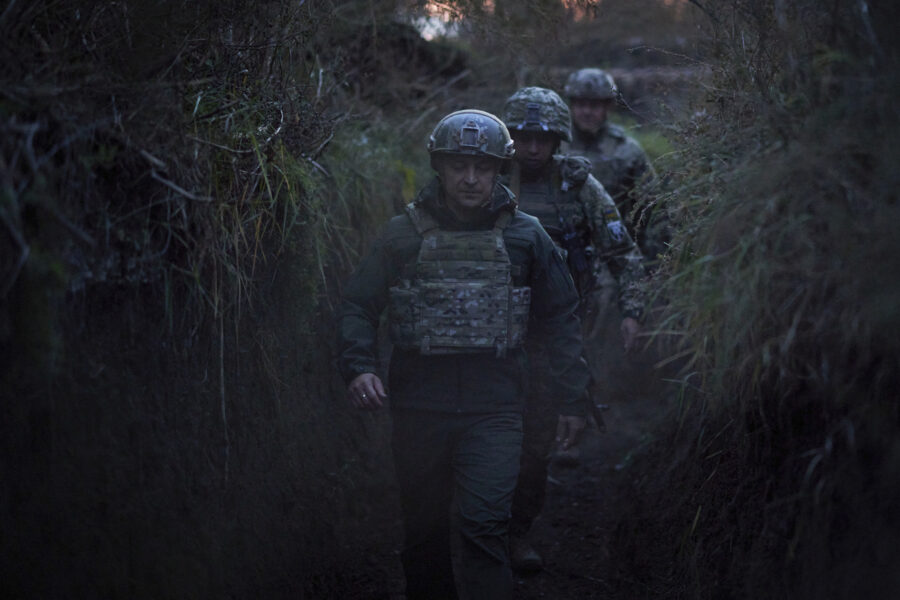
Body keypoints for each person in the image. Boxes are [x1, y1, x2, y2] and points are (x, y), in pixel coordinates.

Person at [336, 109, 591, 600]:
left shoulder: (527, 236)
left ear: (499, 170)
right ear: (440, 167)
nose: (471, 179)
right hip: (418, 408)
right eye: (458, 167)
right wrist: (358, 368)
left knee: (483, 526)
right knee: (425, 532)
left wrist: (574, 399)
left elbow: (561, 318)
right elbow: (358, 305)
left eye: (483, 167)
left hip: (495, 410)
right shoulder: (401, 235)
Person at [499, 86, 647, 572]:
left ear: (559, 139)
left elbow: (623, 253)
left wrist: (632, 311)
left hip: (554, 334)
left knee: (534, 443)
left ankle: (516, 531)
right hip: (487, 335)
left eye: (543, 137)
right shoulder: (488, 180)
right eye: (523, 136)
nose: (533, 147)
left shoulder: (579, 187)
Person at [562, 67, 669, 265]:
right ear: (571, 104)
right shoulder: (555, 145)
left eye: (594, 105)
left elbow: (654, 210)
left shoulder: (627, 151)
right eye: (581, 104)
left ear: (607, 107)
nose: (587, 111)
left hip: (614, 253)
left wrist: (653, 263)